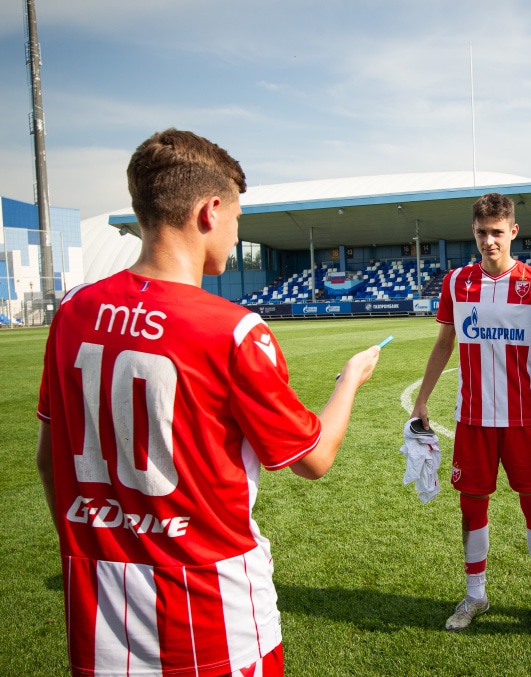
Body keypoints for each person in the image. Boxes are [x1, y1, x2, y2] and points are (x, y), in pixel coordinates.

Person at [35, 129, 380, 677]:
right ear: (209, 210)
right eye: (237, 217)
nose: (236, 229)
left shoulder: (74, 312)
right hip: (212, 614)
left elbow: (48, 459)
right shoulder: (233, 329)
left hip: (100, 614)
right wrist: (351, 379)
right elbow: (314, 459)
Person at [411, 192, 531, 636]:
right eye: (482, 232)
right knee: (471, 506)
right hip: (473, 419)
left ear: (513, 232)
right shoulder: (456, 281)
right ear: (474, 233)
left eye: (498, 232)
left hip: (524, 419)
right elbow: (444, 343)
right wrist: (423, 399)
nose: (489, 240)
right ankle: (475, 594)